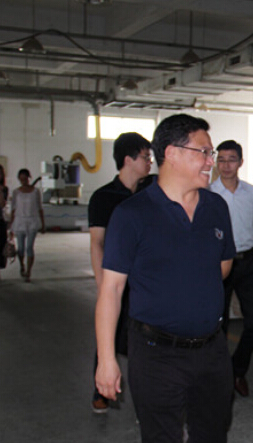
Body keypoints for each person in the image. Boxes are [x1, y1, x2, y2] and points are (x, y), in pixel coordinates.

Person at [95, 114, 235, 443]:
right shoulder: (133, 214)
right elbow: (111, 290)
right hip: (155, 353)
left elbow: (223, 266)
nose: (212, 161)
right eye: (204, 152)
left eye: (211, 153)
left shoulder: (215, 208)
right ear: (171, 154)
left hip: (211, 349)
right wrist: (106, 359)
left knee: (213, 436)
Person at [87, 132, 153, 413]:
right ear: (128, 160)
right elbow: (97, 243)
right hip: (117, 280)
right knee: (110, 334)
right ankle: (101, 388)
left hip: (146, 282)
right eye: (145, 157)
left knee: (145, 340)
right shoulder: (103, 197)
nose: (150, 162)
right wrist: (103, 285)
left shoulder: (152, 194)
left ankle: (146, 400)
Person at [209, 140, 253, 397]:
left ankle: (237, 370)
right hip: (217, 264)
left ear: (240, 162)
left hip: (247, 262)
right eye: (221, 159)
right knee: (219, 325)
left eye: (231, 159)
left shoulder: (251, 193)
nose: (226, 165)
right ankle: (219, 376)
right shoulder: (208, 193)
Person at [9, 168, 45, 282]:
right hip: (20, 222)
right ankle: (22, 265)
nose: (23, 181)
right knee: (21, 248)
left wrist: (43, 224)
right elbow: (13, 209)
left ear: (28, 178)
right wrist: (11, 226)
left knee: (29, 247)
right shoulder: (16, 192)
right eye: (21, 179)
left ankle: (29, 271)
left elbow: (39, 208)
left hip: (32, 221)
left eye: (25, 178)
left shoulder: (35, 192)